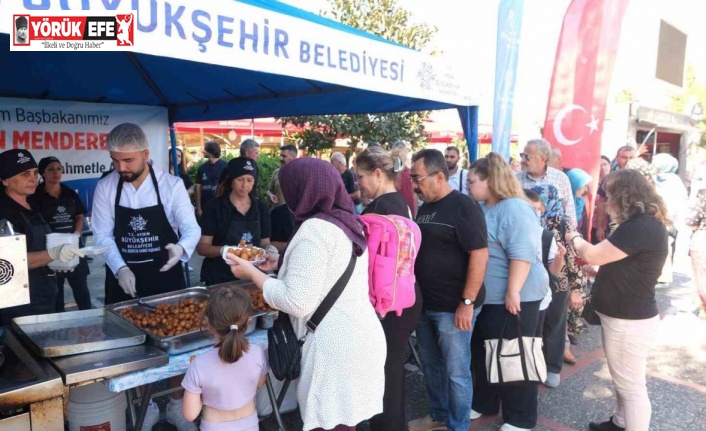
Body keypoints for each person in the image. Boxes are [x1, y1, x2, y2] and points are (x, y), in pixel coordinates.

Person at [228, 157, 386, 431]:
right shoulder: (347, 222)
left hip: (334, 348)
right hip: (361, 338)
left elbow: (296, 301)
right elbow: (329, 271)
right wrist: (280, 264)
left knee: (331, 424)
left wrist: (253, 274)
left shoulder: (314, 229)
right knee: (347, 423)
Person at [92, 123, 201, 431]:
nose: (120, 168)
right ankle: (146, 404)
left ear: (145, 154)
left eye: (128, 161)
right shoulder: (106, 187)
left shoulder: (171, 185)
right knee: (131, 349)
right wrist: (120, 268)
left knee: (177, 344)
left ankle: (178, 404)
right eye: (115, 161)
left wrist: (179, 249)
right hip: (124, 279)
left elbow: (192, 229)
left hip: (166, 277)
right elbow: (101, 234)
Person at [566, 169, 668, 431]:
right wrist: (598, 269)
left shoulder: (640, 226)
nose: (603, 199)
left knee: (630, 386)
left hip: (629, 319)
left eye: (608, 194)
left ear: (623, 196)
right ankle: (620, 423)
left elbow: (594, 254)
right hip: (626, 315)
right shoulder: (642, 224)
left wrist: (574, 237)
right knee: (623, 379)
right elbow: (626, 263)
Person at [407, 149, 488, 431]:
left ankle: (458, 426)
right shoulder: (425, 208)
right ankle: (439, 414)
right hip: (425, 304)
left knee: (456, 373)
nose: (414, 185)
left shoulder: (464, 206)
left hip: (454, 308)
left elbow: (479, 254)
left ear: (439, 176)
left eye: (417, 178)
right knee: (431, 366)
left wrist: (467, 302)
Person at [468, 153, 548, 431]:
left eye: (472, 181)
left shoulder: (514, 207)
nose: (468, 185)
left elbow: (522, 253)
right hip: (492, 297)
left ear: (490, 180)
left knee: (514, 353)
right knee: (487, 351)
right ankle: (486, 402)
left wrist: (513, 291)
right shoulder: (486, 206)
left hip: (517, 296)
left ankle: (521, 418)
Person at [355, 147, 422, 431]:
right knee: (390, 371)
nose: (358, 182)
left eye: (360, 176)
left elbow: (378, 267)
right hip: (402, 297)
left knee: (386, 374)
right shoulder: (399, 201)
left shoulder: (383, 207)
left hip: (389, 302)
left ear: (378, 174)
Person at [0, 150, 84, 325]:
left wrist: (58, 261)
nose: (33, 178)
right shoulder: (4, 212)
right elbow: (9, 262)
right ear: (5, 180)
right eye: (24, 174)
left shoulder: (31, 205)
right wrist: (53, 254)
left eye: (35, 173)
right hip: (21, 304)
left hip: (45, 294)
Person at [182, 286, 267, 431]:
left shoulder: (198, 365)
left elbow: (190, 415)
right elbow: (260, 383)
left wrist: (203, 386)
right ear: (249, 322)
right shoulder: (258, 353)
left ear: (207, 323)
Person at [528, 184, 586, 382]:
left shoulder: (563, 223)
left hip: (558, 282)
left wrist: (577, 290)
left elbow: (573, 258)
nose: (538, 206)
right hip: (532, 281)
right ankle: (533, 366)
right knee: (534, 325)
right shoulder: (528, 219)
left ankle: (552, 367)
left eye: (540, 201)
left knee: (554, 324)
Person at [30, 157, 92, 311]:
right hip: (49, 251)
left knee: (81, 289)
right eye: (51, 169)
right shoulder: (35, 196)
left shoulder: (69, 193)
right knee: (56, 292)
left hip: (73, 247)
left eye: (58, 168)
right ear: (42, 173)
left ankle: (90, 322)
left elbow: (79, 215)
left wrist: (76, 234)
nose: (56, 172)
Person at [197, 157, 271, 286]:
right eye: (240, 179)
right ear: (231, 180)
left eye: (249, 180)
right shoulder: (214, 207)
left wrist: (269, 251)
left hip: (252, 276)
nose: (245, 185)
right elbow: (202, 247)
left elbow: (264, 243)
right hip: (220, 277)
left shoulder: (261, 208)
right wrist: (224, 251)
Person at [517, 139, 578, 230]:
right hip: (525, 237)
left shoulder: (560, 178)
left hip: (555, 240)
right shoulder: (516, 180)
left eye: (527, 157)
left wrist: (568, 236)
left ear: (542, 159)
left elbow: (570, 213)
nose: (522, 161)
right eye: (522, 156)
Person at [686, 188, 706, 316]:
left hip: (702, 240)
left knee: (701, 276)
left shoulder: (704, 198)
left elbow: (691, 222)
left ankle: (703, 308)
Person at [196, 141, 227, 219]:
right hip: (205, 207)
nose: (203, 151)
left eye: (204, 149)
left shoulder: (225, 166)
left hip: (222, 207)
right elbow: (198, 188)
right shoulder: (202, 168)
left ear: (211, 150)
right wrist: (199, 208)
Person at [390, 141, 418, 217]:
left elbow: (414, 194)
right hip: (398, 211)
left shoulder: (408, 172)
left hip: (403, 211)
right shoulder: (393, 172)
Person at [592, 156, 612, 243]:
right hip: (595, 224)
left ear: (610, 165)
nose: (602, 167)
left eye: (605, 164)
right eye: (599, 165)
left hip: (611, 223)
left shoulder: (617, 181)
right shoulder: (590, 184)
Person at [566, 168, 592, 234]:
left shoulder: (581, 202)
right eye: (584, 186)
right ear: (574, 184)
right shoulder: (563, 203)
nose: (586, 190)